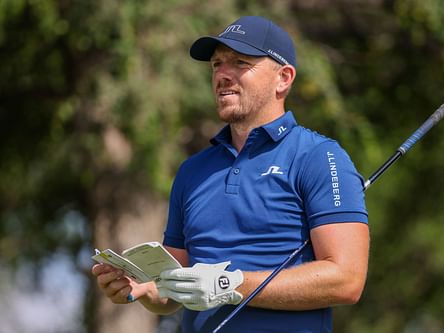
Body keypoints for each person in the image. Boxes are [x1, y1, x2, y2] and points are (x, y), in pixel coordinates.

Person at [92, 15, 370, 333]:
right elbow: (172, 289)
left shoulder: (319, 157)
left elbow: (346, 280)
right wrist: (142, 287)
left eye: (240, 62)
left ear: (284, 78)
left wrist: (230, 284)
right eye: (216, 64)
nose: (223, 74)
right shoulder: (193, 171)